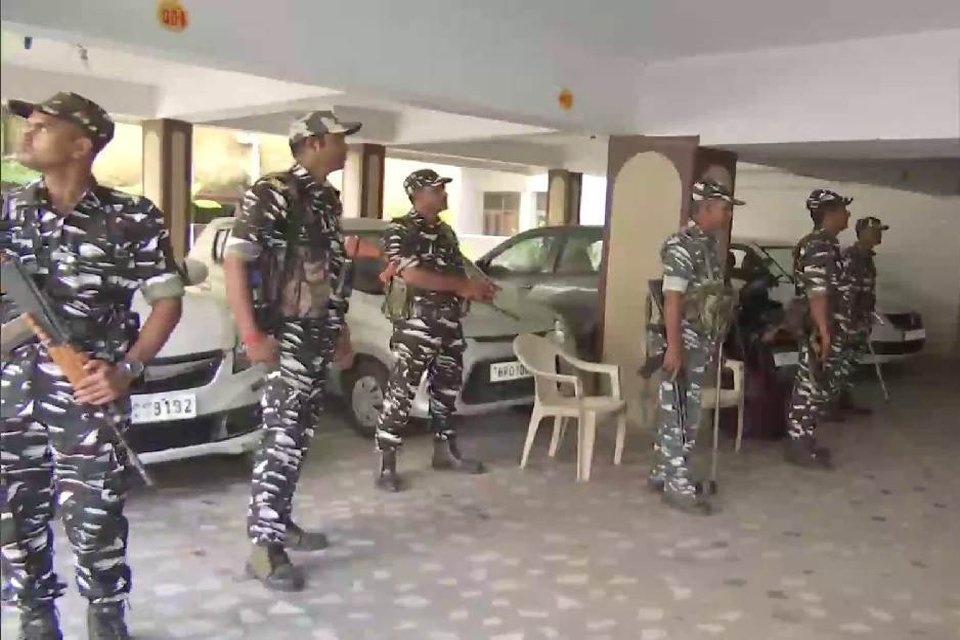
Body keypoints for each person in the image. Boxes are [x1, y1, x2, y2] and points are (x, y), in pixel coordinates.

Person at [1, 92, 184, 639]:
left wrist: (126, 370)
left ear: (81, 146)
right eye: (29, 124)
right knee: (13, 514)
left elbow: (167, 301)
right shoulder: (7, 209)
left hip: (88, 393)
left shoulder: (131, 217)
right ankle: (35, 613)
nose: (28, 133)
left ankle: (106, 611)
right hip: (9, 394)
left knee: (96, 513)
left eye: (42, 126)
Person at [223, 110, 361, 592]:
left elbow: (329, 271)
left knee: (298, 436)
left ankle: (278, 522)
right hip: (284, 335)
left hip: (317, 331)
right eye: (340, 139)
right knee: (281, 436)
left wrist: (340, 328)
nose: (347, 147)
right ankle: (264, 548)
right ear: (315, 142)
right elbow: (236, 261)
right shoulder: (273, 191)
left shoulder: (325, 197)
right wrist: (251, 335)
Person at [374, 169, 496, 492]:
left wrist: (478, 285)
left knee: (446, 389)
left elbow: (458, 268)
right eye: (437, 188)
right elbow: (410, 274)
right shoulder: (401, 229)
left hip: (449, 323)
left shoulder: (446, 232)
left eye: (443, 188)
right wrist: (462, 286)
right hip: (417, 325)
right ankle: (387, 464)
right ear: (418, 195)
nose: (444, 193)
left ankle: (445, 451)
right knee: (402, 392)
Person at [648, 180, 740, 516]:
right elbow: (672, 298)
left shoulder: (708, 245)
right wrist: (674, 348)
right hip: (681, 341)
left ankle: (664, 473)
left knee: (686, 411)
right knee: (679, 413)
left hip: (700, 340)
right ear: (705, 208)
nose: (728, 215)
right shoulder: (682, 245)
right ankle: (677, 486)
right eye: (724, 208)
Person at [784, 189, 852, 467]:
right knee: (809, 386)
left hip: (827, 326)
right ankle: (798, 445)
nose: (848, 214)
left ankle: (805, 439)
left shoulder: (827, 243)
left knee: (817, 387)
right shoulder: (819, 245)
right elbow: (817, 292)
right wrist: (824, 332)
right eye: (843, 209)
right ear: (830, 213)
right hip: (818, 328)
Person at [833, 216, 887, 414]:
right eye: (875, 231)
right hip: (848, 321)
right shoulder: (851, 256)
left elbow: (866, 292)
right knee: (840, 363)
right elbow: (846, 292)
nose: (879, 235)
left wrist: (868, 317)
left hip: (862, 319)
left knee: (851, 363)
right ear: (863, 233)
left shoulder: (867, 259)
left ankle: (844, 401)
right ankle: (831, 405)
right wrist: (849, 323)